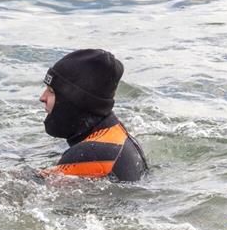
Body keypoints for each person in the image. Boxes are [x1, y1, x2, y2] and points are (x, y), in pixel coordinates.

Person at [39, 49, 147, 182]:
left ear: (74, 102)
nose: (42, 97)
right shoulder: (116, 137)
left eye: (51, 91)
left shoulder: (91, 152)